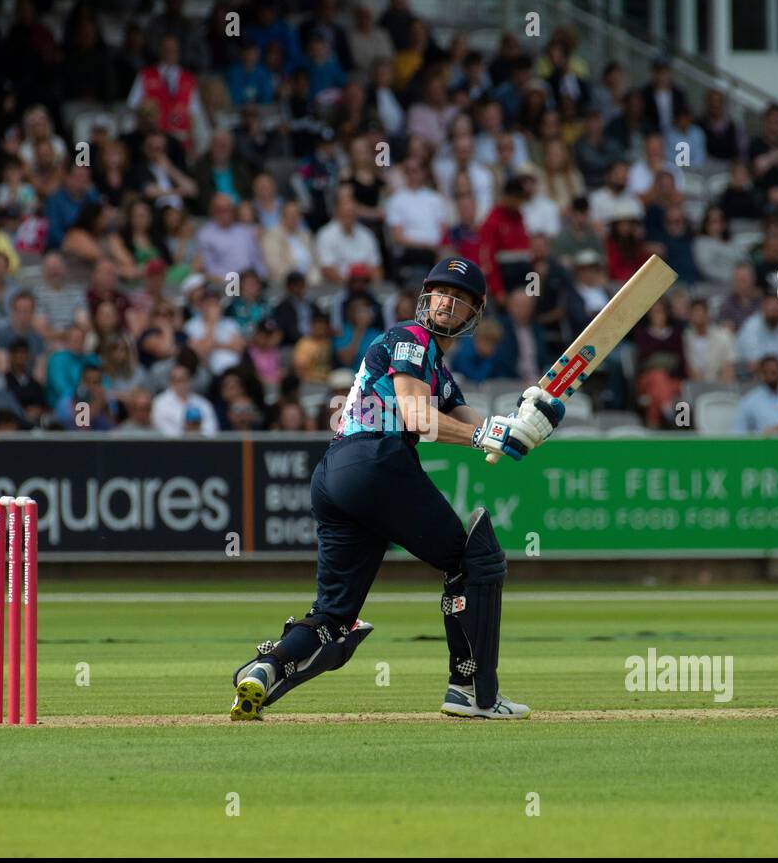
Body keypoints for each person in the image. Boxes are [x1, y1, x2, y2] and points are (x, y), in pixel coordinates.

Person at [229, 258, 564, 722]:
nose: (448, 301)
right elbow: (417, 417)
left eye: (460, 296)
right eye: (441, 292)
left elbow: (476, 427)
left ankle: (264, 669)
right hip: (375, 460)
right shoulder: (410, 337)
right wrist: (489, 434)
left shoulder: (439, 371)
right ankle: (472, 691)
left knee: (334, 616)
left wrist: (524, 427)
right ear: (426, 297)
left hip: (337, 478)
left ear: (475, 310)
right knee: (475, 561)